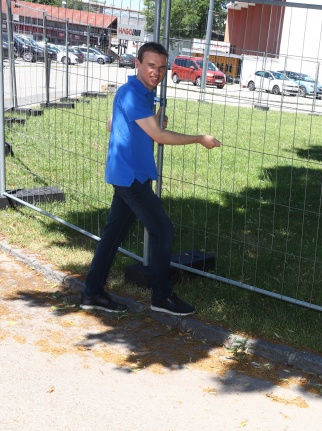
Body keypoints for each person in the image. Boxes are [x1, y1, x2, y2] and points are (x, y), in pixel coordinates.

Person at [81, 42, 221, 316]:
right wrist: (199, 138)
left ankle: (92, 292)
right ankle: (161, 295)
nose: (156, 72)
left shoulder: (139, 92)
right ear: (138, 63)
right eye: (151, 65)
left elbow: (113, 125)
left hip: (128, 175)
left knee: (113, 237)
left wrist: (152, 121)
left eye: (161, 67)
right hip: (130, 177)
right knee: (162, 230)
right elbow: (158, 137)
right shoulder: (134, 94)